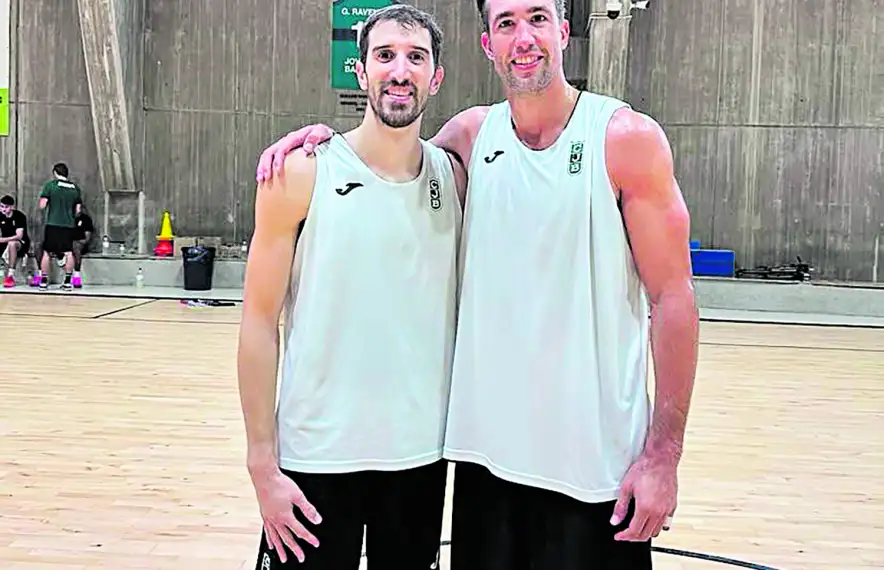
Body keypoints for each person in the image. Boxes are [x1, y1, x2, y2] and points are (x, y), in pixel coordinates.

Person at [255, 1, 699, 569]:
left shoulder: (625, 140)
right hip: (483, 475)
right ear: (488, 44)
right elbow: (389, 159)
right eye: (506, 23)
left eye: (537, 18)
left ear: (564, 31)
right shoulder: (471, 137)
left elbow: (674, 299)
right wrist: (322, 144)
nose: (524, 37)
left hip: (595, 476)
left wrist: (663, 456)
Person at [237, 5, 465, 570]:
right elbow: (259, 323)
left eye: (416, 58)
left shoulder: (457, 178)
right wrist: (262, 462)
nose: (400, 71)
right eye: (384, 55)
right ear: (360, 71)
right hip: (315, 458)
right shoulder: (300, 172)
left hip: (419, 460)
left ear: (436, 77)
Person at [37, 162, 82, 291]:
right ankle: (67, 281)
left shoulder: (51, 186)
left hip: (53, 223)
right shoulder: (75, 188)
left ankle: (44, 281)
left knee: (47, 252)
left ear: (55, 173)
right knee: (68, 252)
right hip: (68, 225)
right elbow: (78, 210)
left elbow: (42, 205)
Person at [0, 195, 31, 288]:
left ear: (12, 207)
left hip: (20, 242)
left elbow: (19, 236)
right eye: (1, 206)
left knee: (12, 243)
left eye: (6, 207)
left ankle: (10, 276)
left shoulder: (19, 216)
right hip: (4, 241)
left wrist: (2, 240)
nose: (3, 209)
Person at [71, 207, 95, 288]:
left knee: (76, 247)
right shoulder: (67, 217)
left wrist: (76, 241)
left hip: (80, 244)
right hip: (66, 243)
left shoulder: (86, 219)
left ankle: (76, 277)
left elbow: (87, 239)